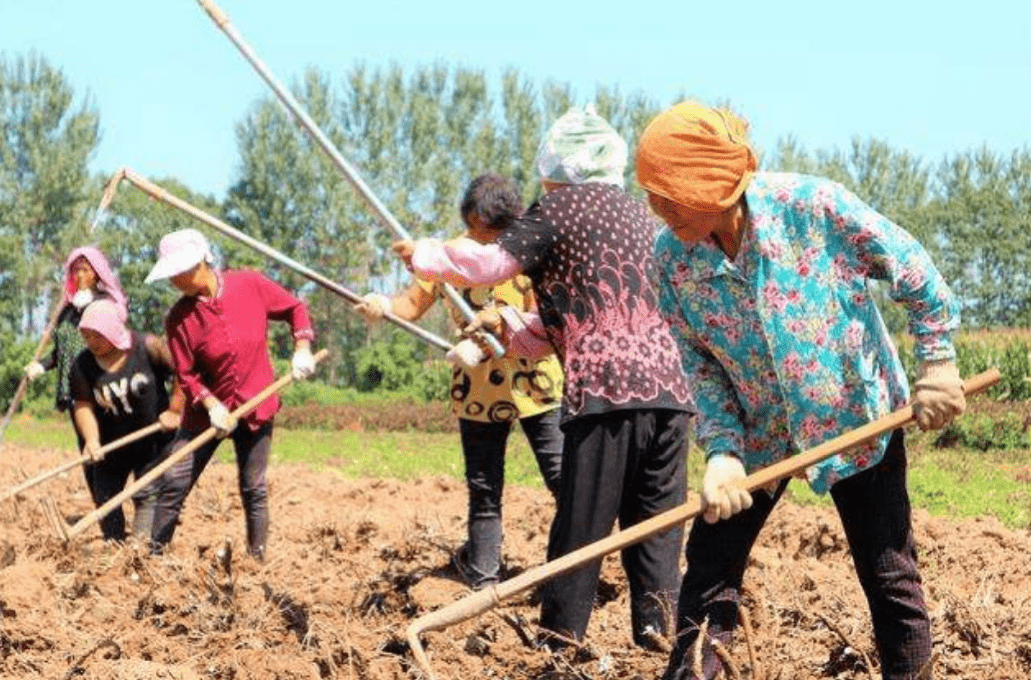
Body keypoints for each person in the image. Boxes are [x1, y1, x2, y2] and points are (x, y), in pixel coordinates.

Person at [637, 100, 966, 680]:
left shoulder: (813, 207)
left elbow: (913, 269)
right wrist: (721, 453)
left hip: (855, 416)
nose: (654, 209)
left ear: (708, 184)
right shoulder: (671, 261)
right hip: (756, 434)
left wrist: (937, 363)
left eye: (665, 193)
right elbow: (701, 364)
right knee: (711, 569)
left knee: (888, 570)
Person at [392, 107, 696, 650]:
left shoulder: (555, 209)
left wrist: (427, 255)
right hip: (672, 392)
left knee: (581, 526)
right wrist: (502, 329)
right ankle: (661, 635)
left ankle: (561, 642)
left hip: (608, 392)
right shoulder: (639, 215)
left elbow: (486, 267)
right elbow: (568, 318)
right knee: (655, 528)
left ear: (555, 166)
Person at [356, 173, 565, 589]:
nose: (475, 236)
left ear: (507, 223)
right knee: (484, 486)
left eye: (482, 229)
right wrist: (384, 306)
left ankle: (572, 573)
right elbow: (412, 304)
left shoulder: (530, 250)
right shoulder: (448, 255)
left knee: (563, 479)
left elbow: (539, 320)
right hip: (478, 387)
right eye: (469, 225)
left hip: (535, 383)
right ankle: (484, 579)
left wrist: (491, 341)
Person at [144, 228, 317, 561]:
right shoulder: (178, 320)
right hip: (205, 414)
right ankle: (152, 558)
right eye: (171, 275)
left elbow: (296, 309)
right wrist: (211, 405)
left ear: (201, 262)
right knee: (174, 480)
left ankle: (257, 561)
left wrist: (303, 347)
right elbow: (187, 375)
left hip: (256, 403)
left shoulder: (248, 285)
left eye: (179, 272)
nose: (175, 281)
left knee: (254, 487)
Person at [69, 299, 185, 541]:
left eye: (97, 336)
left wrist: (175, 410)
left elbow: (183, 372)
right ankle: (114, 546)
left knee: (147, 493)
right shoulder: (82, 365)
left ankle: (141, 550)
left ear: (111, 330)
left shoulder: (148, 347)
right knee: (105, 497)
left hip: (152, 441)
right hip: (112, 444)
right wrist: (91, 440)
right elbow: (83, 406)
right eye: (86, 337)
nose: (91, 343)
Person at [24, 246, 129, 505]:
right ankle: (102, 506)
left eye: (85, 270)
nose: (80, 275)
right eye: (75, 270)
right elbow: (62, 351)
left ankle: (118, 503)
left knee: (108, 446)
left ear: (96, 273)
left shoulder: (107, 305)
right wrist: (42, 366)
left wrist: (92, 308)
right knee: (87, 447)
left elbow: (116, 342)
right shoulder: (68, 309)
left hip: (102, 385)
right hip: (74, 389)